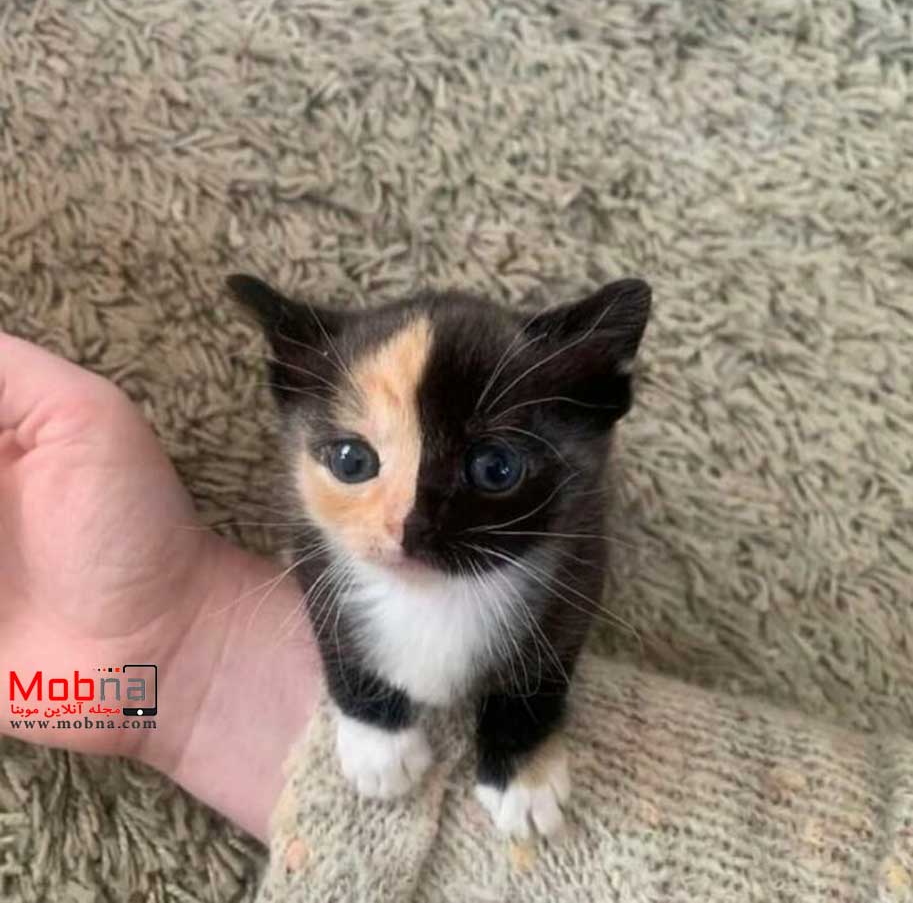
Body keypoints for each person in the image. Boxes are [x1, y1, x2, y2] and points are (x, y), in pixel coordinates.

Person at [2, 330, 909, 902]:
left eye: (491, 470)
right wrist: (161, 656)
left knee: (533, 659)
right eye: (353, 461)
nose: (405, 524)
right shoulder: (312, 555)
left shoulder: (565, 561)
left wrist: (177, 649)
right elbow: (113, 680)